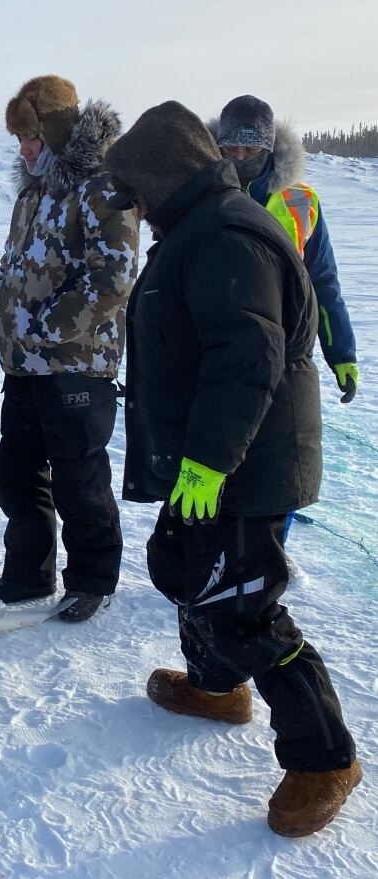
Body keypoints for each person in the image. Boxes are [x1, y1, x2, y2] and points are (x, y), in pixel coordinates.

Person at [106, 100, 360, 838]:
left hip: (245, 461)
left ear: (166, 176)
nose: (140, 210)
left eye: (141, 193)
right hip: (212, 458)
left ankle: (325, 756)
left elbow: (247, 360)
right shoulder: (200, 226)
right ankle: (219, 686)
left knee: (242, 600)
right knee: (183, 564)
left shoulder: (225, 235)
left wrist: (210, 463)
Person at [0, 76, 139, 622]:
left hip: (76, 364)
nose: (23, 150)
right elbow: (15, 261)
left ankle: (93, 579)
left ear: (58, 130)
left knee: (79, 475)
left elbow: (112, 276)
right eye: (19, 140)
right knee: (16, 472)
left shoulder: (102, 188)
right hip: (24, 363)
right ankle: (28, 574)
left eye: (31, 138)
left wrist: (48, 326)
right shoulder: (33, 193)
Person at [215, 96, 359, 405]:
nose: (240, 157)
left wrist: (342, 352)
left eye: (251, 149)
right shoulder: (201, 192)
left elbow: (322, 281)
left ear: (268, 148)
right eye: (231, 148)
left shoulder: (302, 200)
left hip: (287, 352)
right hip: (217, 349)